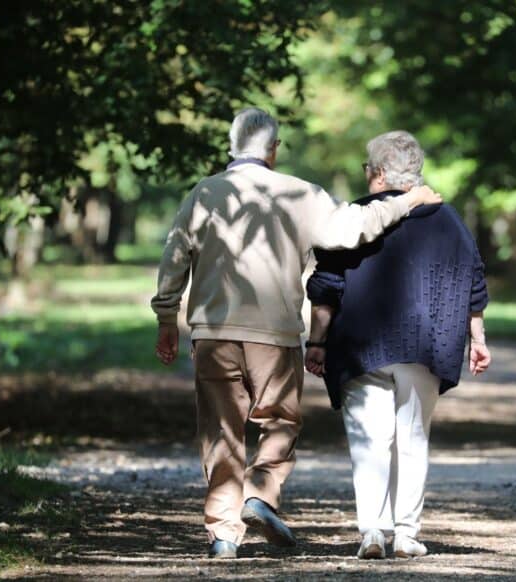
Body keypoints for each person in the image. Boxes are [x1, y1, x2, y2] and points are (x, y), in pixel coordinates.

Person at [150, 108, 442, 559]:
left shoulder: (204, 193)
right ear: (273, 149)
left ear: (233, 145)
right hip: (275, 334)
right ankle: (260, 495)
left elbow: (175, 257)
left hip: (213, 333)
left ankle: (224, 535)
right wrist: (407, 201)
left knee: (221, 430)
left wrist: (166, 318)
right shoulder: (298, 193)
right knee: (280, 421)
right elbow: (351, 230)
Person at [304, 130, 491, 560]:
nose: (366, 175)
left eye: (368, 169)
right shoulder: (448, 219)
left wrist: (317, 341)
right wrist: (477, 338)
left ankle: (372, 530)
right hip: (424, 347)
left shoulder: (353, 218)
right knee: (412, 437)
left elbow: (326, 287)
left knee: (370, 437)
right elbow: (473, 280)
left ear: (381, 174)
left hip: (359, 346)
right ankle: (406, 534)